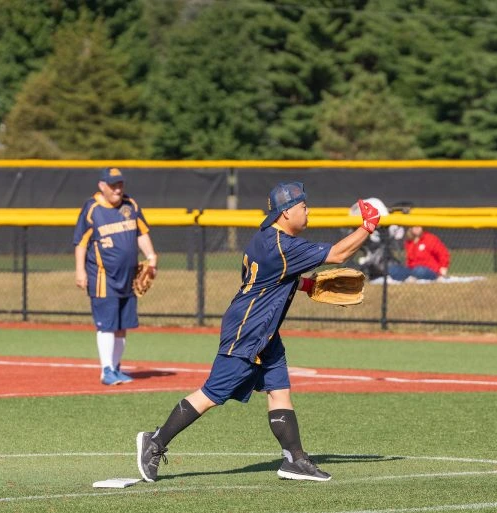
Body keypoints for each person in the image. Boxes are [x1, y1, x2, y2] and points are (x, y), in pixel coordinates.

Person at [135, 182, 380, 483]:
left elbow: (271, 278)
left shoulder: (266, 238)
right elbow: (339, 253)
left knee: (279, 391)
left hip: (264, 330)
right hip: (248, 330)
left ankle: (295, 460)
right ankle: (155, 442)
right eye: (304, 206)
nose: (308, 211)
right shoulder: (283, 246)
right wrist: (368, 226)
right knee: (212, 393)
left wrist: (305, 285)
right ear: (287, 212)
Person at [73, 167, 157, 386]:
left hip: (128, 277)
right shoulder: (92, 209)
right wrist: (80, 271)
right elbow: (81, 244)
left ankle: (117, 368)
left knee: (122, 325)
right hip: (102, 277)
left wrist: (152, 257)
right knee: (107, 324)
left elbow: (142, 233)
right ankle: (106, 370)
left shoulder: (131, 205)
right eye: (113, 185)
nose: (118, 189)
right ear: (102, 186)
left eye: (120, 184)